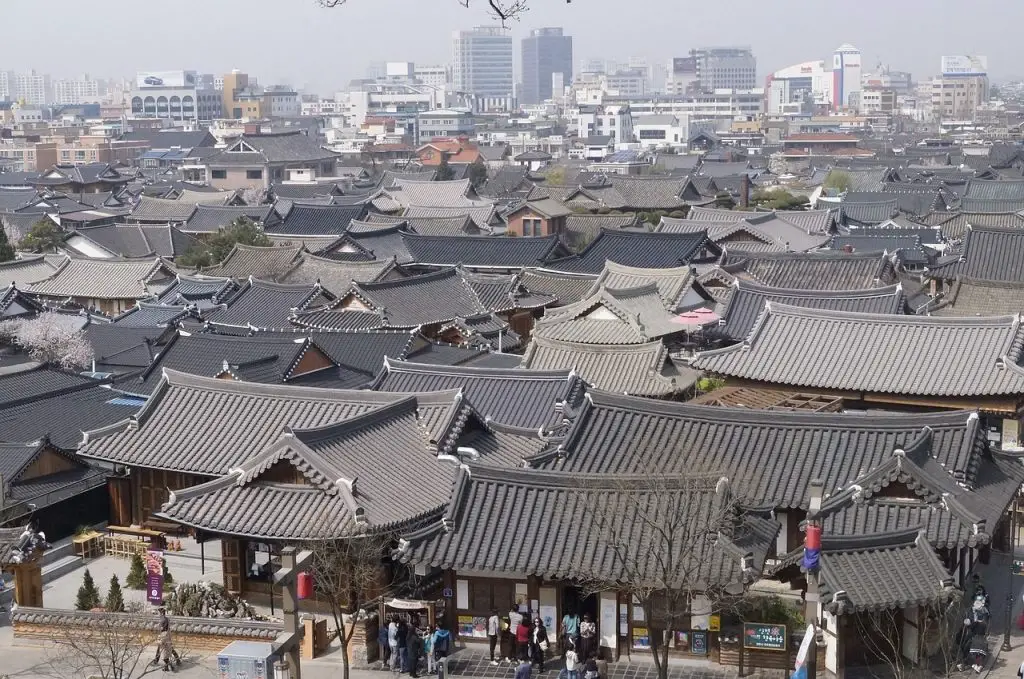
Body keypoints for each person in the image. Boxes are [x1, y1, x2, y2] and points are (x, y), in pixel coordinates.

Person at [151, 607, 181, 672]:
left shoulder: (162, 620)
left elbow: (161, 628)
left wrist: (157, 629)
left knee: (163, 649)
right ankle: (177, 660)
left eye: (159, 613)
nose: (158, 614)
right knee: (168, 649)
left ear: (161, 613)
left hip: (163, 636)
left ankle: (167, 664)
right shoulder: (167, 619)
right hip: (168, 635)